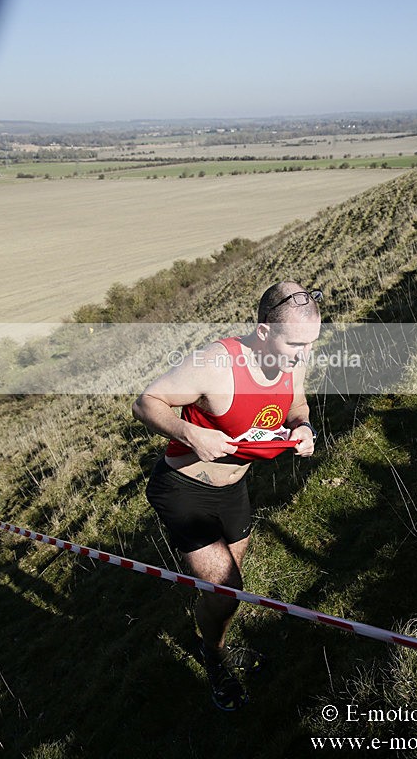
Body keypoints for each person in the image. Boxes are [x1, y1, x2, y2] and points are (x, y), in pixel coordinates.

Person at [132, 281, 321, 711]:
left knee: (226, 588)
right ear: (262, 332)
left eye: (312, 344)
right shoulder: (215, 364)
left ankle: (210, 637)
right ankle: (214, 659)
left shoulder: (294, 359)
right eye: (296, 344)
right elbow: (146, 403)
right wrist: (189, 432)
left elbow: (297, 404)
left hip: (234, 488)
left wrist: (303, 427)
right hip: (182, 489)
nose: (303, 355)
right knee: (227, 589)